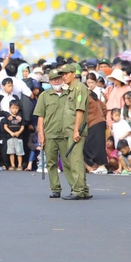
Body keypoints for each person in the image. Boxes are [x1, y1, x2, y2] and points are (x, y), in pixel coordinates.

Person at [34, 68, 70, 198]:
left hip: (66, 134)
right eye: (54, 79)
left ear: (62, 80)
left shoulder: (68, 94)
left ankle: (74, 187)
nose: (56, 81)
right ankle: (55, 188)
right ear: (49, 82)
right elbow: (40, 116)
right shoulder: (44, 96)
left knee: (68, 162)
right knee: (51, 163)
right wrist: (41, 134)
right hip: (50, 133)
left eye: (58, 79)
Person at [59, 63, 90, 199]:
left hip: (75, 130)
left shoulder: (79, 88)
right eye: (62, 74)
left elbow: (80, 110)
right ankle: (83, 190)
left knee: (75, 161)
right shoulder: (71, 89)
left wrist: (76, 130)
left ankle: (78, 191)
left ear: (73, 73)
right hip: (70, 130)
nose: (64, 77)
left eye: (66, 74)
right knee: (75, 160)